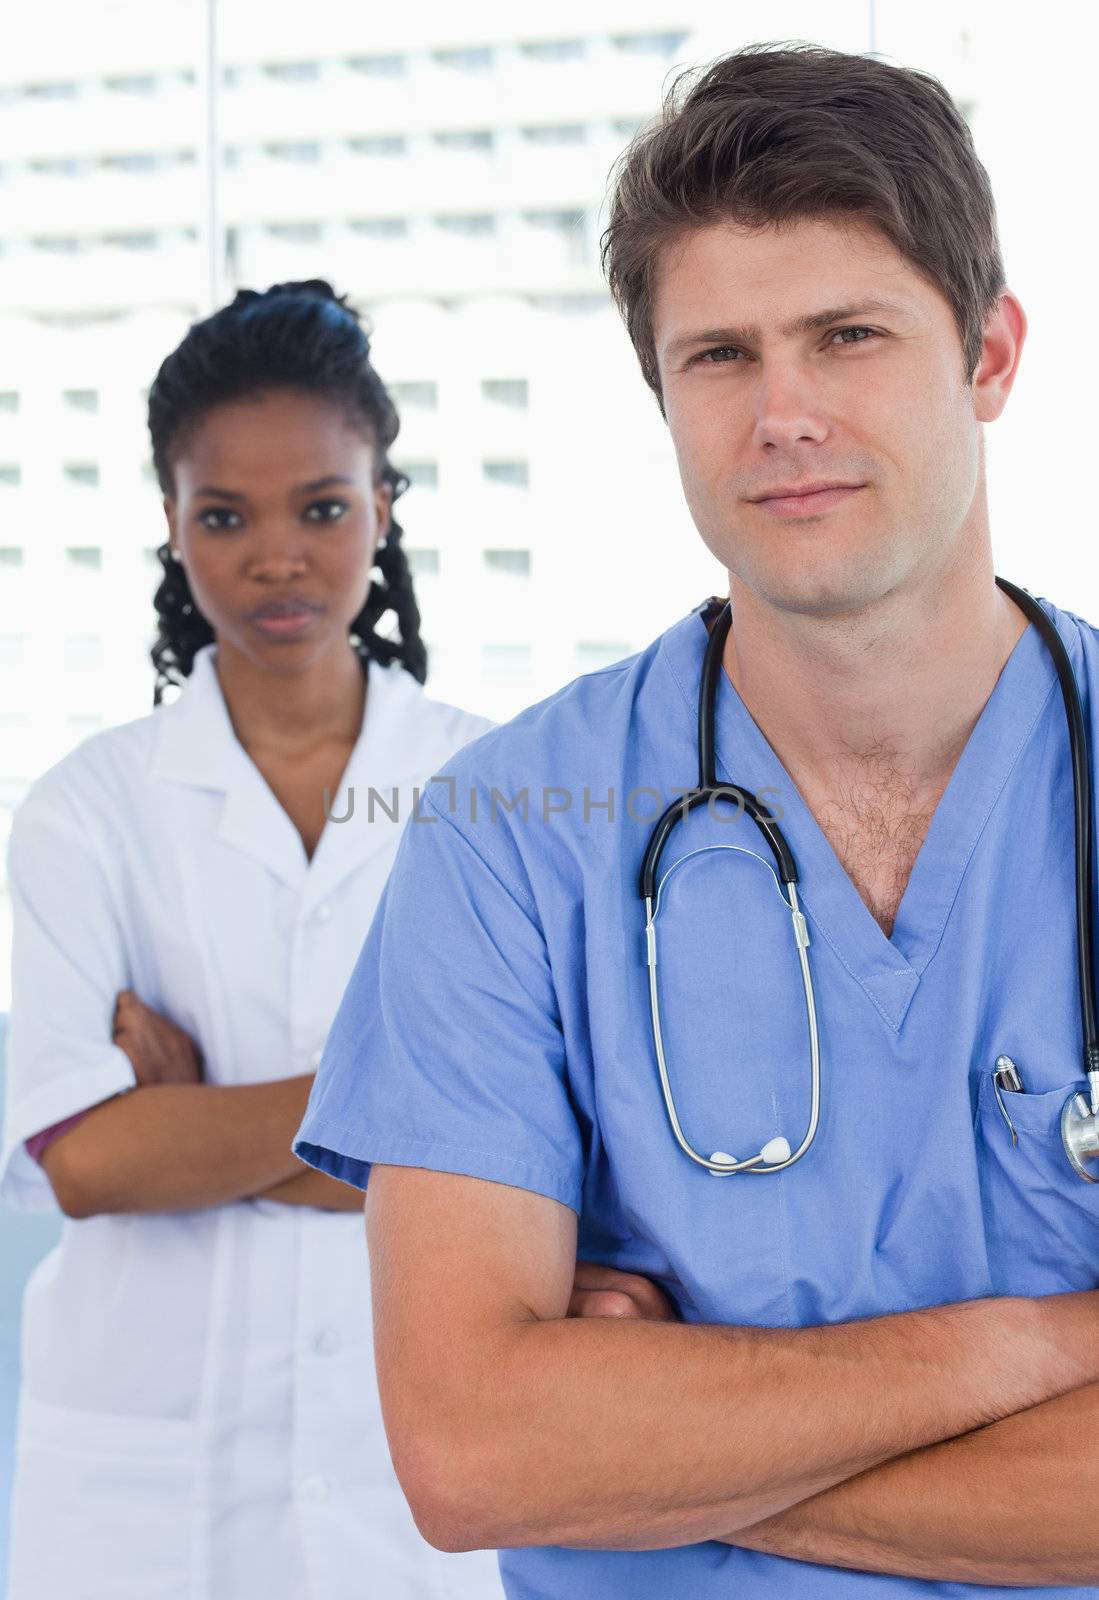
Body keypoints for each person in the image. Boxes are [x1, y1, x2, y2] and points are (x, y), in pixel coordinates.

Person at [293, 42, 1099, 1600]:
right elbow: (470, 1454)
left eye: (847, 335)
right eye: (719, 355)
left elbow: (543, 1458)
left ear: (991, 355)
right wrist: (1046, 1344)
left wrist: (659, 1458)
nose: (782, 413)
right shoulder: (510, 834)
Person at [0, 280, 519, 1598]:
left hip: (415, 1464)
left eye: (323, 508)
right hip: (142, 1485)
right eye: (223, 516)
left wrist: (191, 1126)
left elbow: (527, 1160)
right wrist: (398, 1127)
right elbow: (87, 1161)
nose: (276, 557)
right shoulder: (84, 812)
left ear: (384, 508)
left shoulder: (496, 790)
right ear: (171, 526)